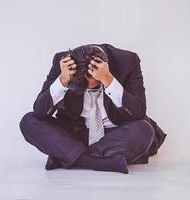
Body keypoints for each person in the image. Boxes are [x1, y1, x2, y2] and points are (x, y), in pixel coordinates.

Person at [19, 43, 167, 174]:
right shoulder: (63, 64)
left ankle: (66, 155)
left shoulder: (128, 61)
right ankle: (96, 161)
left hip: (116, 133)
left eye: (93, 86)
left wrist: (108, 79)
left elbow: (138, 112)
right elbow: (40, 111)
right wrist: (63, 80)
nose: (88, 91)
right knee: (29, 121)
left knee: (144, 130)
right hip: (76, 132)